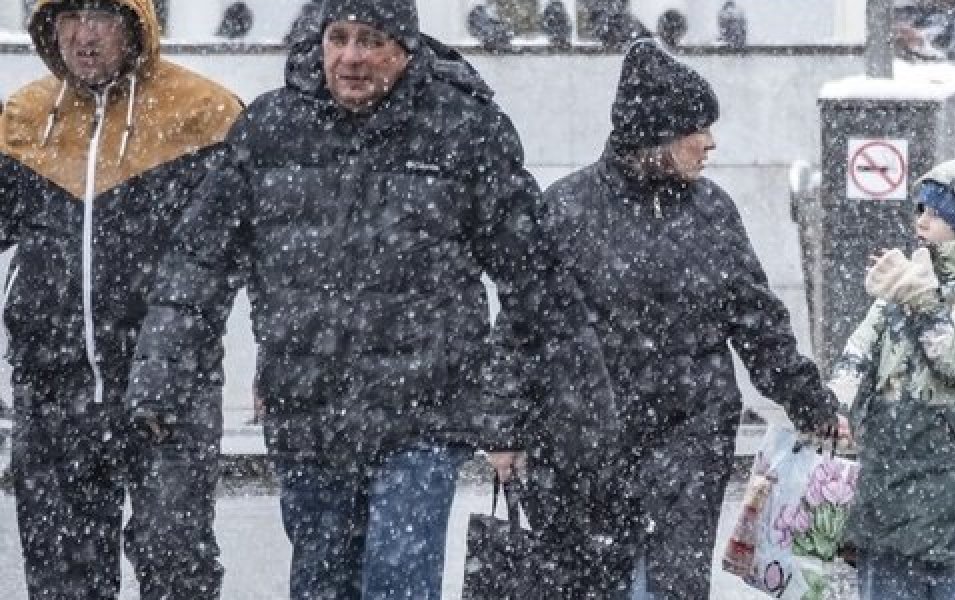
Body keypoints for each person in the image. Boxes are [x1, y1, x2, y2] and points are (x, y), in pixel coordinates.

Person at [123, 0, 608, 598]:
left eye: (371, 40)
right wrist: (161, 374)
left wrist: (570, 401)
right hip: (308, 415)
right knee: (322, 582)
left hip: (423, 416)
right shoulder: (270, 130)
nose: (351, 57)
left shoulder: (462, 129)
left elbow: (535, 277)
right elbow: (197, 265)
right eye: (340, 38)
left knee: (399, 577)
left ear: (405, 49)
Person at [529, 38, 838, 598]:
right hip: (585, 444)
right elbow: (526, 328)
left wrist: (809, 402)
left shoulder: (711, 211)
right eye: (698, 128)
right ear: (658, 134)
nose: (710, 142)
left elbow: (756, 319)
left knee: (672, 585)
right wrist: (506, 430)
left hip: (688, 439)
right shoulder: (568, 209)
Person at [0, 0, 242, 598]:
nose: (84, 35)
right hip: (52, 388)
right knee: (62, 578)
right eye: (68, 17)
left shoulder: (204, 113)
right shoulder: (24, 117)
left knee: (174, 565)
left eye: (102, 16)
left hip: (168, 390)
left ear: (137, 23)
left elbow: (247, 251)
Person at [828, 157, 955, 599]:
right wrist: (834, 409)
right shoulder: (901, 288)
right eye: (921, 209)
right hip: (888, 491)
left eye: (938, 214)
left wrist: (922, 301)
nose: (922, 221)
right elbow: (857, 354)